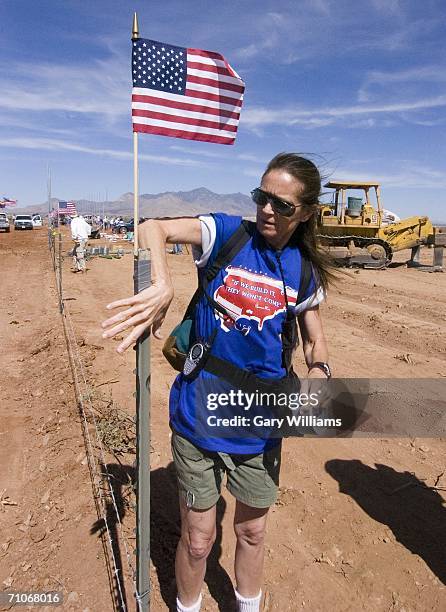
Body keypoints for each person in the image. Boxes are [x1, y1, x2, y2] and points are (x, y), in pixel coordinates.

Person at [101, 153, 334, 612]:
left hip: (259, 425)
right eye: (261, 197)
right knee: (198, 539)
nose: (267, 210)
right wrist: (164, 281)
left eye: (282, 205)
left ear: (305, 212)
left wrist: (319, 374)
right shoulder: (228, 235)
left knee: (251, 530)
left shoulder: (303, 271)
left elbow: (315, 344)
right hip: (198, 415)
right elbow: (153, 226)